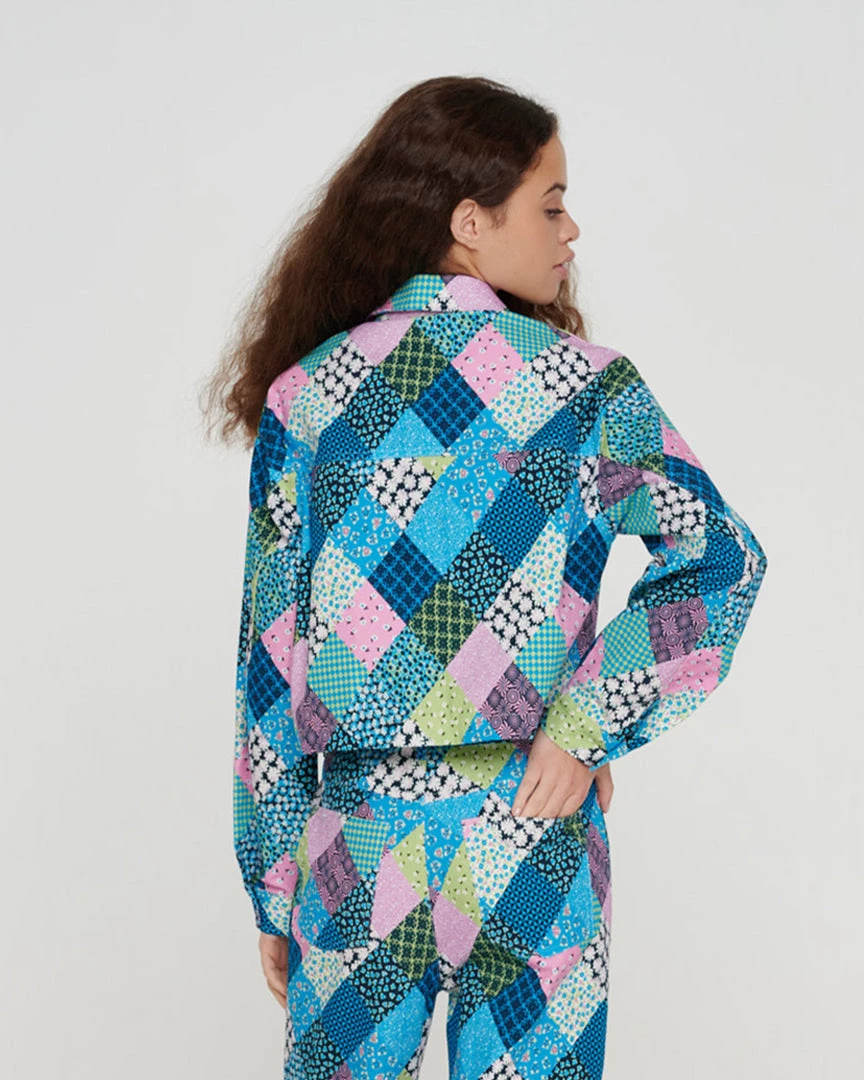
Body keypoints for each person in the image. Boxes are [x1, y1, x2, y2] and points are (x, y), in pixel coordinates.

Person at [204, 75, 767, 1080]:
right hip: (530, 836)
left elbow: (269, 662)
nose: (571, 229)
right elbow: (720, 558)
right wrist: (585, 722)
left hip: (358, 846)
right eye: (551, 204)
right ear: (470, 221)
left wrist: (278, 882)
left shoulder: (306, 398)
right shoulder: (586, 387)